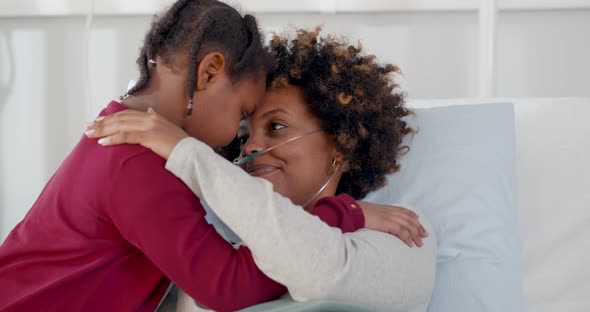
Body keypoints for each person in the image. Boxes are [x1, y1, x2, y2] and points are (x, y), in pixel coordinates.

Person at [0, 2, 423, 311]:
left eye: (270, 127)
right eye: (242, 118)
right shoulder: (137, 162)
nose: (244, 146)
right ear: (208, 73)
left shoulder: (125, 134)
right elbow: (226, 287)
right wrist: (343, 213)